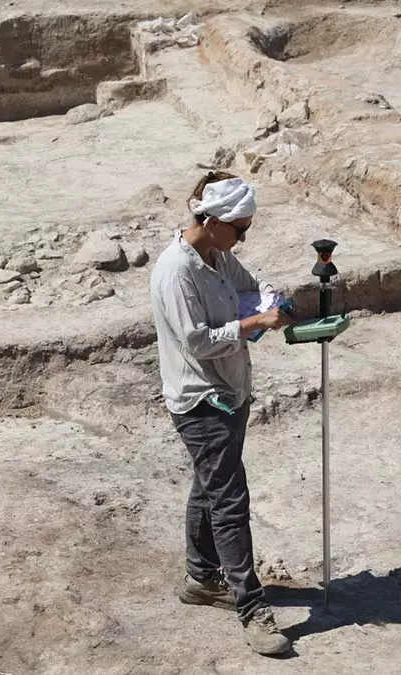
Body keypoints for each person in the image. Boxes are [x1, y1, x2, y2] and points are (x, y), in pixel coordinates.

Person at [149, 171, 294, 656]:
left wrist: (274, 301)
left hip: (231, 390)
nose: (244, 239)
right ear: (211, 220)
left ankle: (200, 578)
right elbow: (196, 341)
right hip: (200, 399)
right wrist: (254, 321)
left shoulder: (219, 256)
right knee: (230, 500)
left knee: (210, 488)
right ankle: (252, 607)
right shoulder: (176, 272)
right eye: (241, 229)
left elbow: (251, 285)